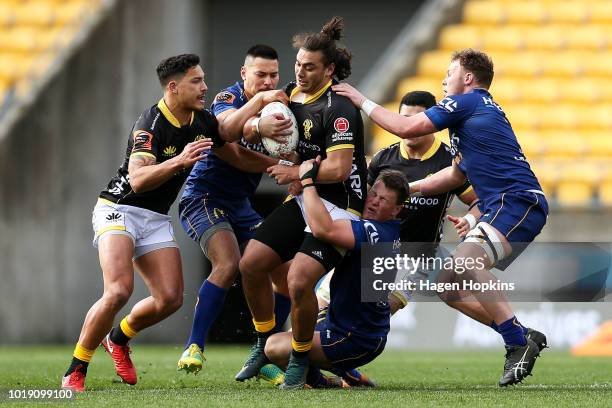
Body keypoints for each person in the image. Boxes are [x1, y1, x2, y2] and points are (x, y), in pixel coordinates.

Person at [61, 54, 284, 392]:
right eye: (197, 81)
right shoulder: (150, 123)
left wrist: (271, 144)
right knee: (119, 290)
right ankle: (76, 368)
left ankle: (118, 339)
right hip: (119, 209)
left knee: (170, 299)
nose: (205, 87)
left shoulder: (200, 120)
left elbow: (230, 143)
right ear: (173, 87)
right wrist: (180, 161)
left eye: (204, 80)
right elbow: (137, 180)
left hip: (154, 217)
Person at [333, 48, 549, 386]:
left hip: (516, 201)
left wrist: (359, 98)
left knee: (465, 263)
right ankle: (522, 333)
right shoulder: (472, 120)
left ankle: (516, 341)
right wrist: (409, 189)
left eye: (449, 74)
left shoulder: (470, 101)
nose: (443, 81)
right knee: (448, 286)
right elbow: (452, 177)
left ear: (467, 78)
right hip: (502, 205)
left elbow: (405, 127)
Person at [234, 16, 368, 388]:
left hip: (341, 207)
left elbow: (340, 169)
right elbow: (247, 129)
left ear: (330, 69)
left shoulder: (339, 108)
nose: (300, 72)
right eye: (298, 65)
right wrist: (257, 126)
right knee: (251, 264)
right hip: (308, 198)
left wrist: (295, 174)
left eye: (309, 67)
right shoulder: (290, 95)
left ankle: (298, 357)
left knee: (297, 282)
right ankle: (263, 342)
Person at [176, 45, 295, 375]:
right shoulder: (226, 100)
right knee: (228, 263)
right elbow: (233, 148)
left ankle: (264, 349)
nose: (268, 81)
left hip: (241, 206)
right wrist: (260, 119)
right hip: (204, 197)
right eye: (261, 75)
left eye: (274, 75)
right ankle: (195, 346)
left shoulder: (284, 106)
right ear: (244, 75)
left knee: (284, 274)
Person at [264, 163, 407, 389]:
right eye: (373, 195)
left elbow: (323, 229)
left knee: (275, 347)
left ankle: (324, 382)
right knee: (293, 337)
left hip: (357, 339)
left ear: (396, 210)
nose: (373, 202)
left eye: (384, 201)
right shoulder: (384, 230)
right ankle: (351, 376)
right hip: (348, 324)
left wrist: (308, 182)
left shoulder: (376, 232)